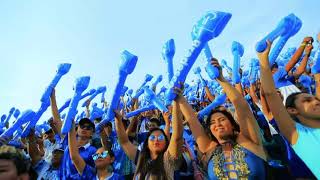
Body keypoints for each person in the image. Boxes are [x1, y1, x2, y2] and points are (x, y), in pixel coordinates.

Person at [179, 58, 267, 179]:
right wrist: (179, 98)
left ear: (232, 124)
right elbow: (192, 120)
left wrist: (221, 78)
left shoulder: (249, 140)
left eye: (222, 119)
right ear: (210, 130)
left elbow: (242, 107)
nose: (217, 124)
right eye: (212, 122)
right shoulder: (209, 148)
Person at [257, 39, 320, 178]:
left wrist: (307, 54)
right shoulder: (275, 77)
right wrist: (302, 44)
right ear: (273, 69)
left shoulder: (286, 79)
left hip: (302, 119)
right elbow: (293, 61)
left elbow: (299, 70)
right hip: (290, 122)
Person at [115, 87, 184, 180]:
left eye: (160, 138)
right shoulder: (140, 158)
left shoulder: (168, 159)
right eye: (152, 138)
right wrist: (118, 120)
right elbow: (124, 142)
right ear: (146, 143)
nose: (156, 140)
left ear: (166, 143)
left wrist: (176, 102)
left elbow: (177, 136)